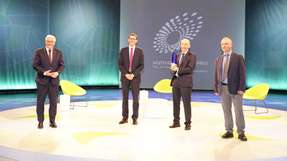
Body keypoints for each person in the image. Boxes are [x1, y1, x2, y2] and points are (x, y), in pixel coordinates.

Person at [214, 37, 247, 141]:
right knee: (226, 110)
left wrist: (241, 88)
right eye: (222, 44)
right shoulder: (218, 59)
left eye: (226, 44)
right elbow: (216, 75)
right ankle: (229, 131)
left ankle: (241, 132)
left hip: (236, 89)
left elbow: (242, 74)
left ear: (231, 45)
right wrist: (216, 88)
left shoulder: (238, 57)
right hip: (223, 88)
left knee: (238, 111)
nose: (224, 46)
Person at [33, 35, 64, 129]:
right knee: (40, 102)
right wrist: (44, 72)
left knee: (54, 103)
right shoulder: (39, 52)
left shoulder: (59, 52)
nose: (49, 43)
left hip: (54, 82)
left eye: (51, 42)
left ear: (54, 42)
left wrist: (57, 73)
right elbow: (35, 65)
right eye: (48, 41)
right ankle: (40, 122)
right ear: (45, 41)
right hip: (42, 81)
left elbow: (62, 65)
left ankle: (52, 121)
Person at [169, 38, 196, 130]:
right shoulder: (177, 55)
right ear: (180, 45)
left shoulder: (192, 56)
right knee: (175, 103)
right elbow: (175, 68)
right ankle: (176, 122)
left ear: (189, 46)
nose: (184, 46)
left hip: (186, 83)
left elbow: (189, 69)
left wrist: (177, 69)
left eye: (186, 44)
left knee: (186, 104)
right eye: (182, 44)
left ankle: (188, 123)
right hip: (176, 82)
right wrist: (173, 68)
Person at [118, 32, 144, 125]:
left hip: (135, 78)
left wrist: (133, 74)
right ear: (128, 40)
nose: (132, 40)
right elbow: (120, 64)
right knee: (125, 98)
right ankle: (125, 117)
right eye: (130, 38)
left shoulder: (140, 51)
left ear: (136, 41)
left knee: (135, 99)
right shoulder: (123, 50)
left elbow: (141, 66)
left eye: (134, 39)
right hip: (125, 78)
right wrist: (126, 74)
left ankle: (135, 118)